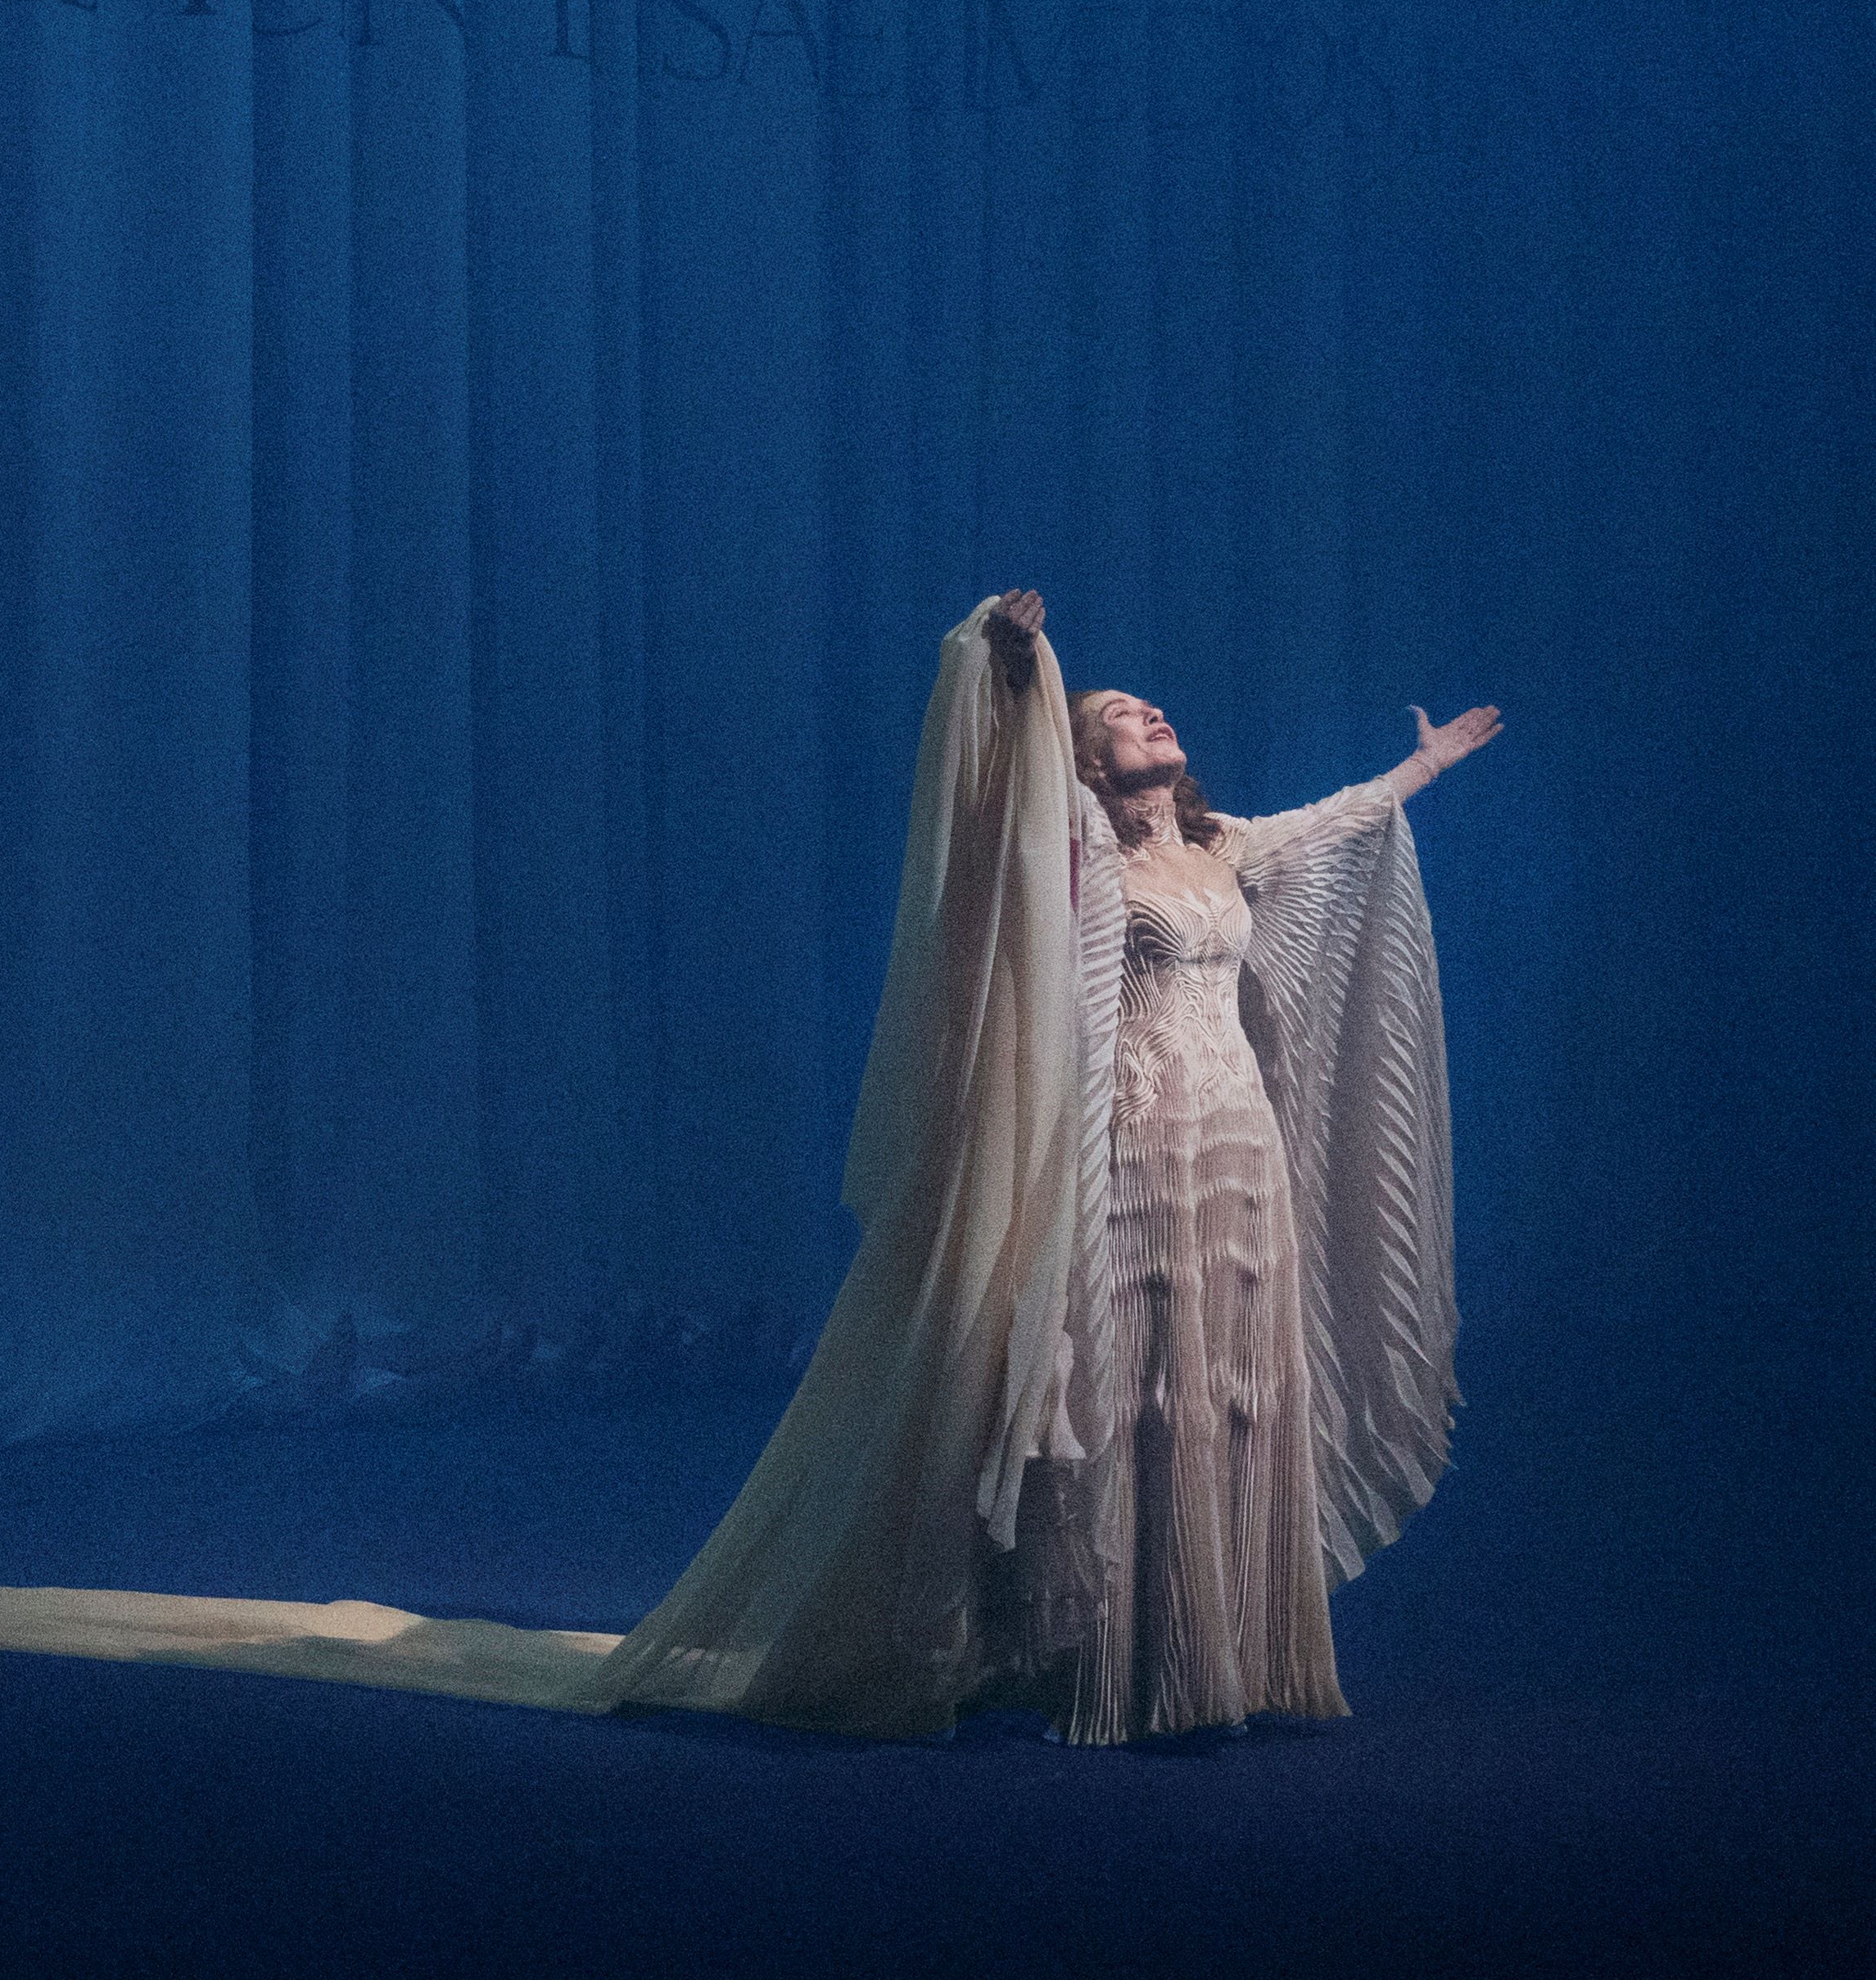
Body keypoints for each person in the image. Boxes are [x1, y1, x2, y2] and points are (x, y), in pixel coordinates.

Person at [586, 590, 1496, 1741]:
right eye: (1119, 710)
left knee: (1236, 1392)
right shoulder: (1075, 839)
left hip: (1242, 1158)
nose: (1152, 711)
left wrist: (1421, 770)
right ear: (1083, 751)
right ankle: (1123, 1654)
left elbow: (1333, 822)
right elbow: (989, 780)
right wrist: (1005, 663)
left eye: (1151, 705)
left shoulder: (1222, 846)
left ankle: (1232, 1647)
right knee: (1146, 1391)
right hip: (1139, 1152)